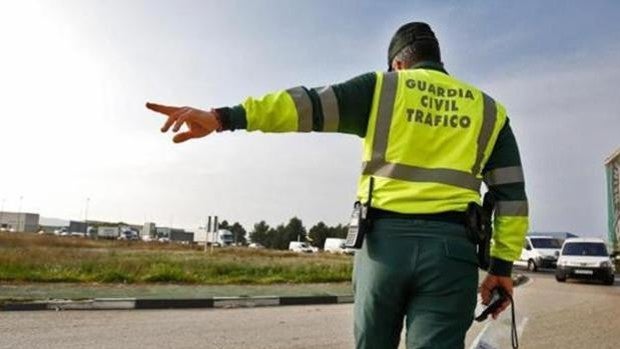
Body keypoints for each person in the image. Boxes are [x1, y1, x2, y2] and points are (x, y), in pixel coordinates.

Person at [146, 21, 528, 349]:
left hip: (383, 249)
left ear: (398, 63)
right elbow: (511, 197)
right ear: (438, 60)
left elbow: (303, 106)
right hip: (452, 254)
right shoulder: (488, 110)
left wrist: (224, 117)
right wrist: (501, 266)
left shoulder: (383, 88)